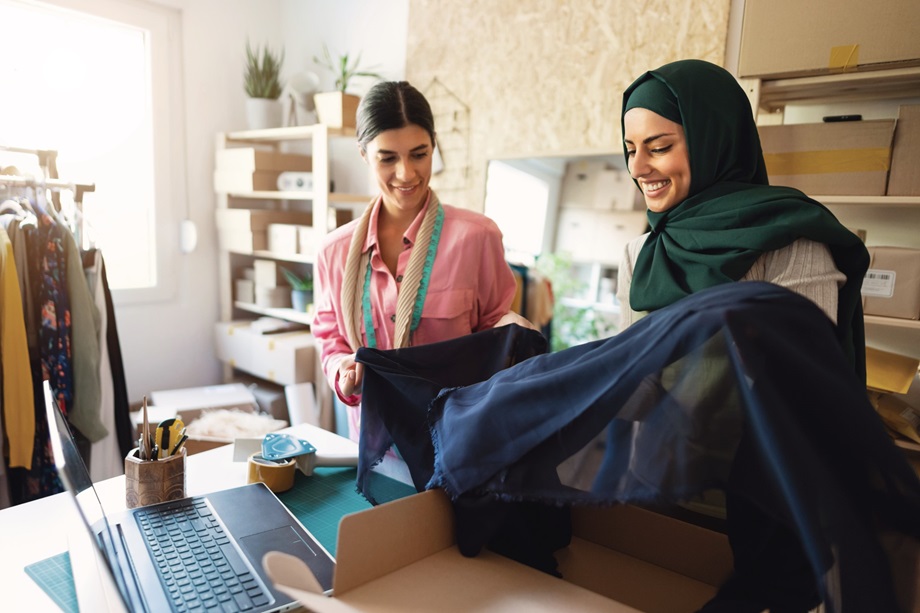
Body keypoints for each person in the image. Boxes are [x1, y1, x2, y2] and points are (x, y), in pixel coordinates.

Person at [616, 59, 868, 379]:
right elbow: (627, 385)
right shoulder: (638, 255)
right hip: (657, 432)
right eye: (630, 150)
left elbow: (801, 388)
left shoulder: (789, 241)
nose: (637, 169)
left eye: (659, 147)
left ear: (713, 140)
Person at [311, 80, 533, 443]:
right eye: (388, 158)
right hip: (375, 444)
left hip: (458, 441)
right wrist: (342, 369)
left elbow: (495, 327)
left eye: (419, 154)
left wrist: (516, 330)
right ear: (364, 154)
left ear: (434, 146)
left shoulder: (478, 237)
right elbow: (330, 336)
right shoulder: (333, 252)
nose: (406, 174)